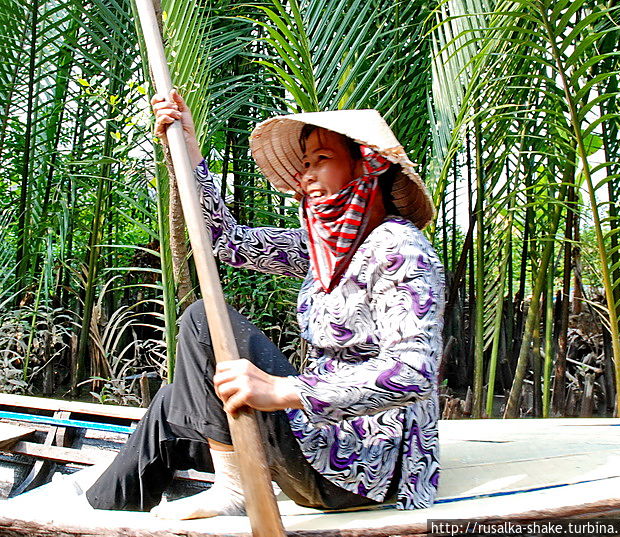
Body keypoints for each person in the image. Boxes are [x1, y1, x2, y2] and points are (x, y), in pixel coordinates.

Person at [84, 90, 445, 519]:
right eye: (305, 164)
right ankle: (102, 509)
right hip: (318, 437)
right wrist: (186, 147)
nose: (307, 174)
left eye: (321, 159)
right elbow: (226, 241)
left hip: (364, 465)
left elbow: (413, 372)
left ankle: (234, 489)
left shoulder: (400, 248)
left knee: (202, 318)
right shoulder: (324, 250)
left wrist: (282, 390)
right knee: (171, 401)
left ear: (367, 166)